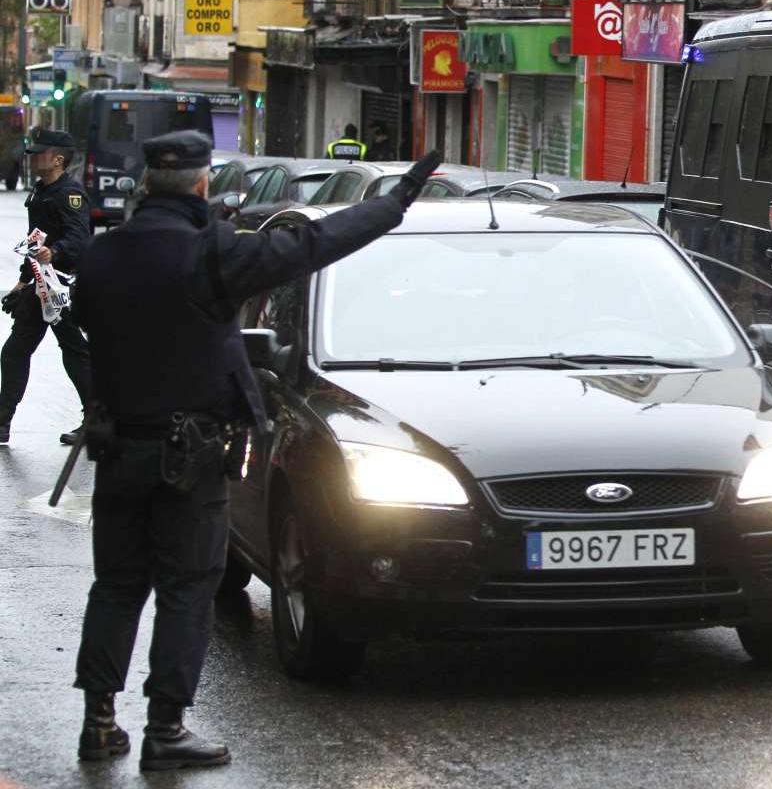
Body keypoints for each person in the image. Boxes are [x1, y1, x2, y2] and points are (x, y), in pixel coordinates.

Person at [70, 130, 442, 770]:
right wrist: (397, 200)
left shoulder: (105, 257)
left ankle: (99, 722)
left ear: (146, 184)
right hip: (191, 455)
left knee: (116, 586)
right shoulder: (211, 255)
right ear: (200, 184)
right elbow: (315, 243)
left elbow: (90, 322)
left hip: (118, 449)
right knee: (188, 588)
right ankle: (166, 729)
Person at [0, 128, 93, 447]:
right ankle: (2, 422)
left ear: (57, 160)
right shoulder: (41, 191)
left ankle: (95, 419)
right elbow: (35, 239)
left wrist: (56, 252)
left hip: (62, 288)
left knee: (75, 353)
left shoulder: (69, 194)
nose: (33, 158)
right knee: (13, 352)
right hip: (39, 287)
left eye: (40, 153)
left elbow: (79, 237)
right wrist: (22, 282)